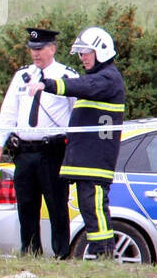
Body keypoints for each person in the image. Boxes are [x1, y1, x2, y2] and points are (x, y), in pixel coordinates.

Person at [27, 26, 126, 259]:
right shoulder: (98, 78)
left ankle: (104, 254)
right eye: (80, 53)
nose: (82, 58)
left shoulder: (108, 79)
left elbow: (81, 86)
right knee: (89, 207)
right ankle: (100, 253)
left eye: (86, 52)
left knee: (95, 207)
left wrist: (48, 84)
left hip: (95, 160)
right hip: (86, 160)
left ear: (101, 50)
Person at [0, 27, 77, 258]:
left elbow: (76, 116)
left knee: (56, 205)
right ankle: (30, 251)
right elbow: (9, 112)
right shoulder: (22, 76)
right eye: (32, 49)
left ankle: (61, 253)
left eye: (40, 49)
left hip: (52, 151)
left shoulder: (67, 76)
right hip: (25, 151)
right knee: (26, 205)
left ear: (52, 48)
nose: (35, 54)